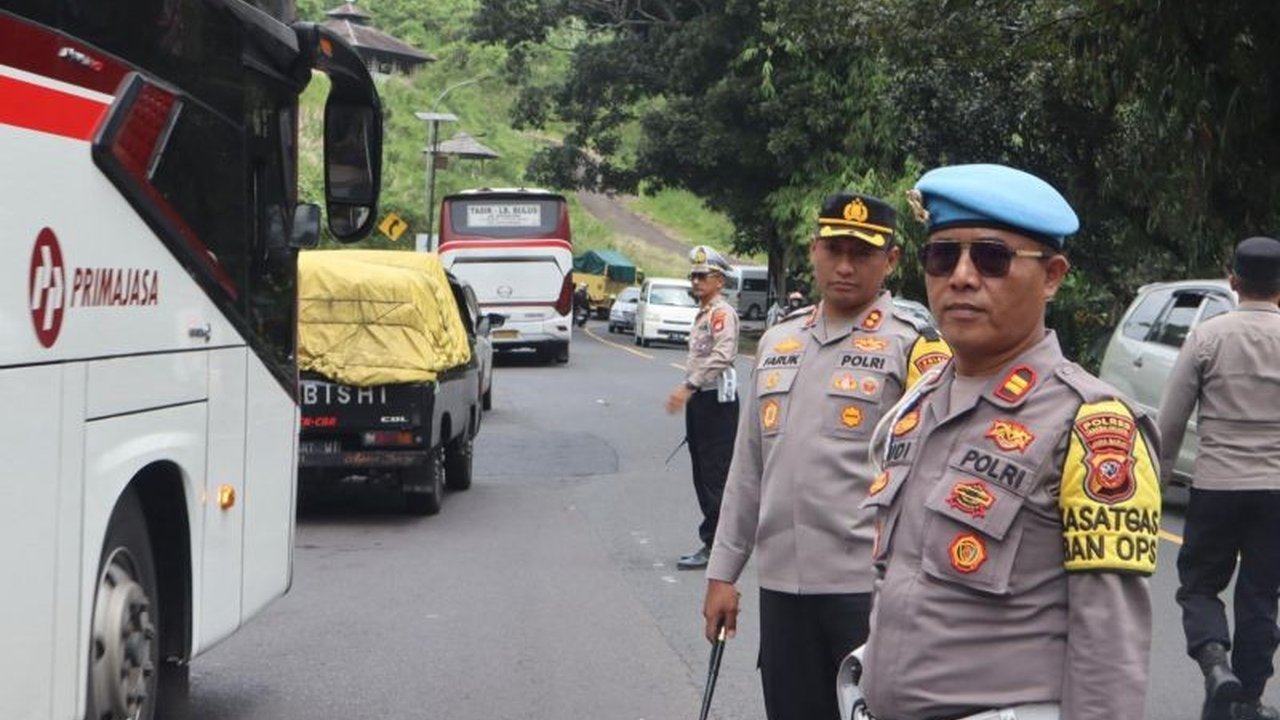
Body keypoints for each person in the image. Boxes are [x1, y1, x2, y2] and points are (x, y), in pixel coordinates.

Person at [859, 164, 1162, 720]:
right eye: (943, 256)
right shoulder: (920, 402)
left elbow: (1109, 649)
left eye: (992, 258)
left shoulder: (1091, 426)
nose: (963, 277)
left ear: (1051, 276)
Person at [702, 193, 951, 720]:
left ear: (891, 261)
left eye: (861, 253)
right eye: (833, 249)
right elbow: (749, 470)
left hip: (867, 594)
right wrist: (723, 573)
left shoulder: (914, 348)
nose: (844, 266)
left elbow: (937, 478)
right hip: (782, 591)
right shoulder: (776, 342)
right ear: (812, 250)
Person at [1157, 236, 1280, 720]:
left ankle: (1214, 665)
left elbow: (1169, 421)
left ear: (1234, 283)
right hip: (1276, 490)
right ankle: (1247, 697)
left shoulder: (1207, 336)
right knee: (1261, 593)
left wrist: (1156, 483)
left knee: (1200, 586)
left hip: (1215, 486)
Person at [665, 245, 740, 570]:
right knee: (702, 472)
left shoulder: (722, 314)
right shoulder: (705, 313)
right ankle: (714, 541)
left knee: (714, 476)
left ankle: (717, 547)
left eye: (702, 276)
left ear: (719, 280)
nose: (695, 282)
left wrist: (689, 385)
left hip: (715, 401)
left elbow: (723, 355)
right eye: (693, 276)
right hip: (702, 401)